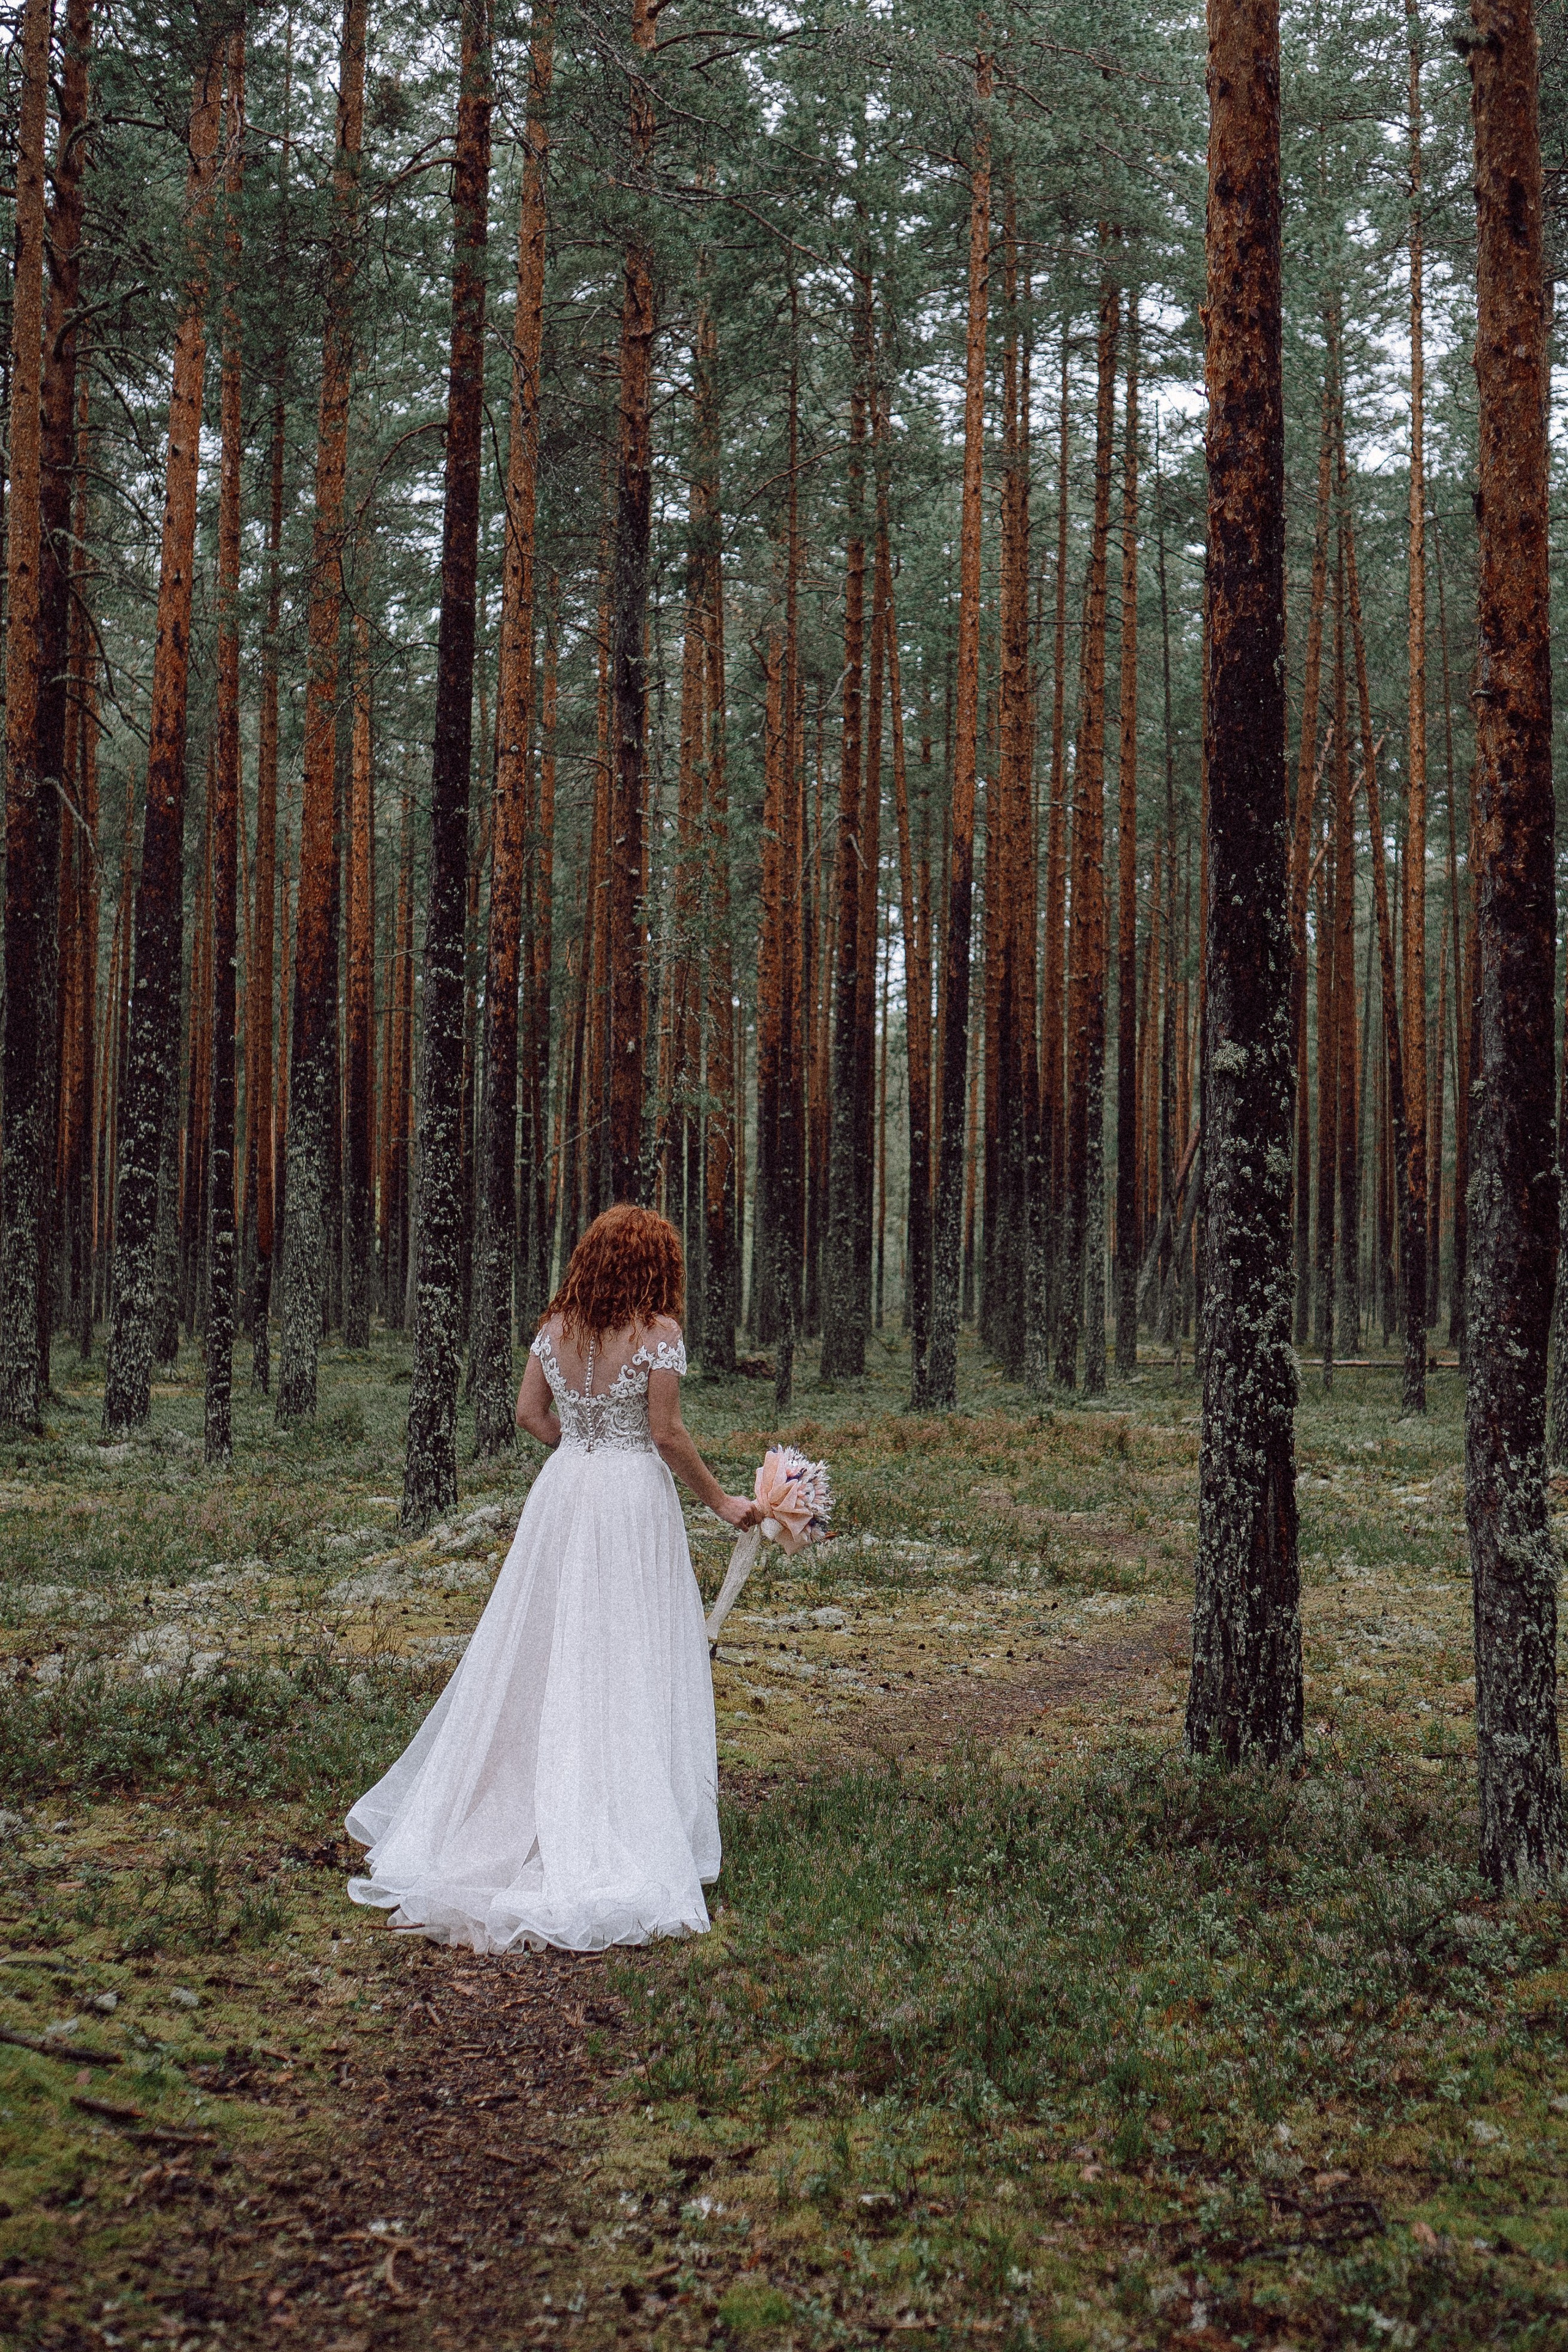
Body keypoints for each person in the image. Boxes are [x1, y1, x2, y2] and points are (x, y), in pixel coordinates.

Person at [345, 1204, 758, 1953]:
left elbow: (527, 1413)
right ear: (655, 1264)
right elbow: (665, 1433)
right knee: (625, 1646)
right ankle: (620, 1808)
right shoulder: (658, 1334)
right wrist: (724, 1502)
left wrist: (581, 1445)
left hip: (565, 1492)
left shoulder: (555, 1328)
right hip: (629, 1498)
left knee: (545, 1646)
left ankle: (525, 1795)